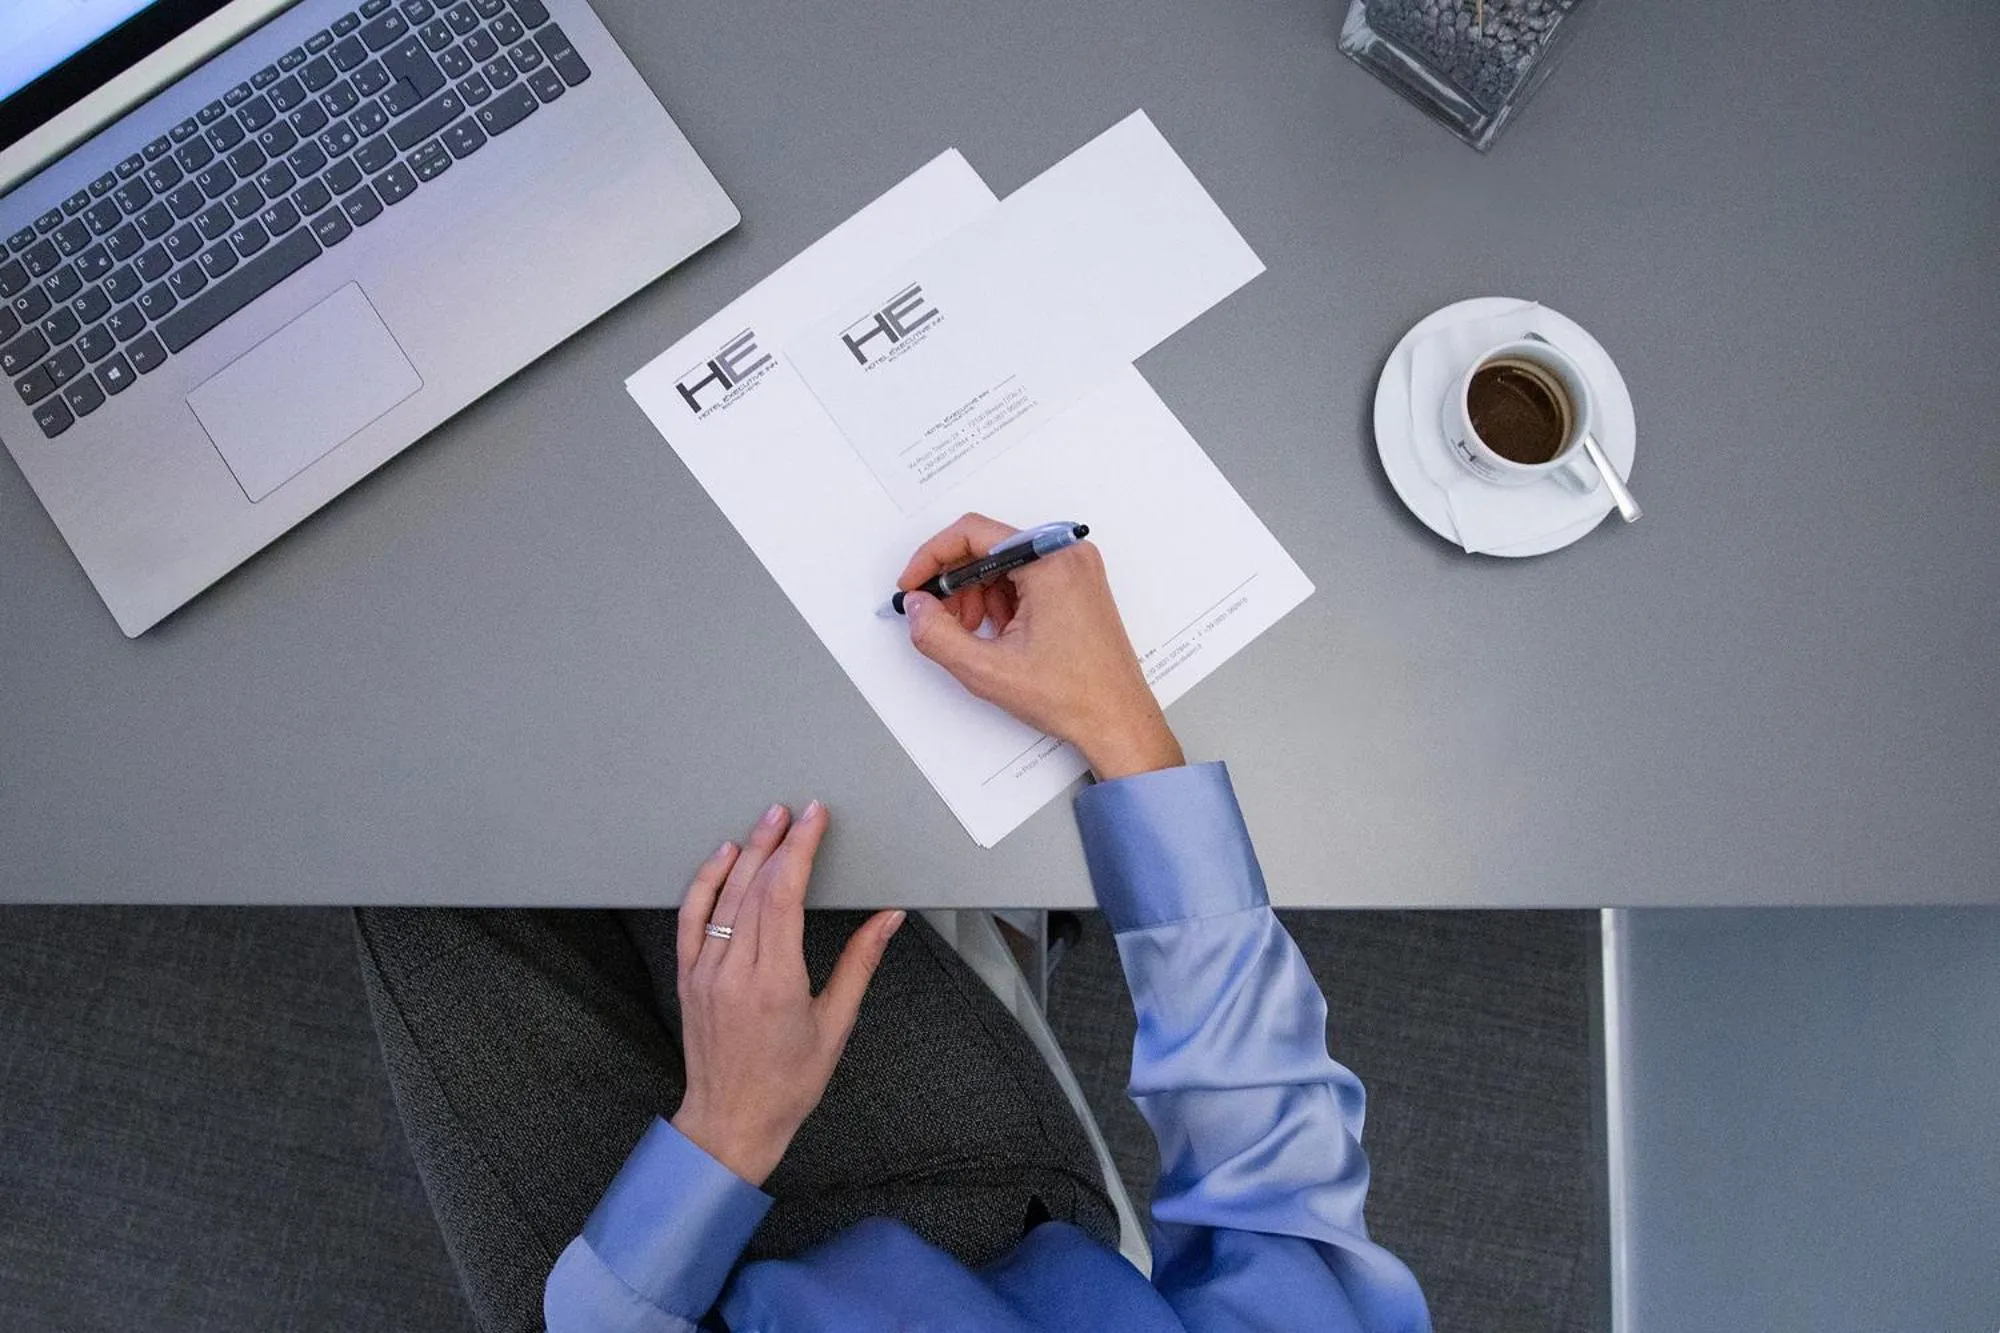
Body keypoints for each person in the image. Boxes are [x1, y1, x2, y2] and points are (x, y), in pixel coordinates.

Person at [356, 514, 1431, 1333]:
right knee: (729, 773)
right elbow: (1275, 1190)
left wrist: (728, 1126)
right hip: (950, 1229)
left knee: (419, 828)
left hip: (621, 1299)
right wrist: (1121, 731)